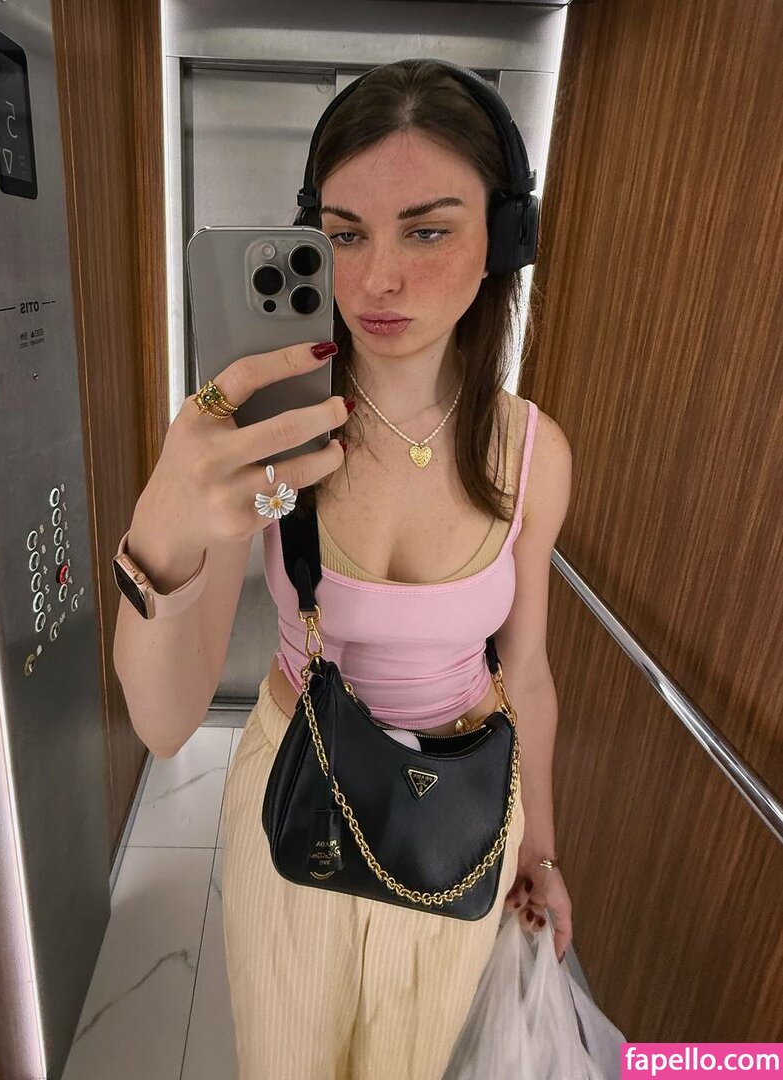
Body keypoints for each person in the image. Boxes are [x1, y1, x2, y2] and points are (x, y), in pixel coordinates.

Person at [113, 58, 574, 1080]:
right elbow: (165, 722)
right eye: (344, 233)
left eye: (426, 230)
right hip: (299, 792)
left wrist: (540, 851)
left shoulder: (530, 454)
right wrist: (164, 520)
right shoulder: (272, 438)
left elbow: (529, 673)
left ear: (501, 241)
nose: (376, 280)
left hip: (461, 814)